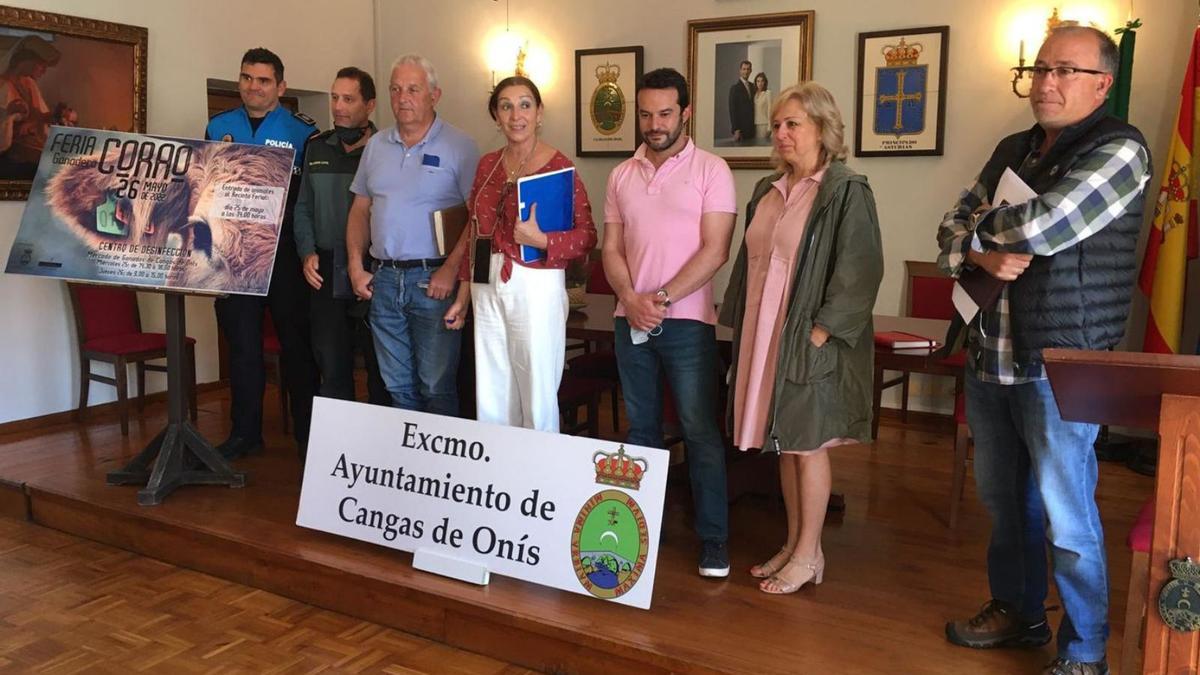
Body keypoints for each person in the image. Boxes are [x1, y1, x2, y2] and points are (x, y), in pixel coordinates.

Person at [938, 26, 1151, 675]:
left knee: (1069, 514)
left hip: (1062, 364)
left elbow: (1046, 225)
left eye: (1066, 70)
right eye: (1041, 68)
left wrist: (977, 232)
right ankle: (1019, 611)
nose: (1047, 82)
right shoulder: (1014, 146)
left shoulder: (1120, 148)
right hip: (988, 355)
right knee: (1005, 502)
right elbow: (948, 227)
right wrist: (975, 248)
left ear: (1103, 84)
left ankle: (1085, 649)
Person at [720, 83, 883, 594]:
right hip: (763, 335)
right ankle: (794, 543)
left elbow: (860, 271)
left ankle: (811, 554)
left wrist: (819, 334)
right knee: (785, 444)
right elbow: (750, 265)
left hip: (808, 339)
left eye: (793, 124)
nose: (782, 133)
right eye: (777, 125)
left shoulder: (845, 190)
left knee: (809, 445)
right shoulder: (767, 189)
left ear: (821, 128)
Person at [603, 67, 736, 577]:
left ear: (685, 112)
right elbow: (611, 248)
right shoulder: (620, 174)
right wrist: (629, 298)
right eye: (645, 113)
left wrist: (656, 298)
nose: (654, 123)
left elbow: (716, 250)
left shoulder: (711, 170)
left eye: (664, 113)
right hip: (628, 320)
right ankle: (637, 534)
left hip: (686, 324)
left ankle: (714, 540)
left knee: (700, 430)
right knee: (639, 431)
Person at [445, 76, 596, 432]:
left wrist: (544, 240)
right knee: (492, 391)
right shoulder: (487, 164)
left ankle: (541, 481)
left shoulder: (559, 166)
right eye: (506, 106)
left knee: (536, 391)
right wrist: (463, 297)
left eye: (525, 104)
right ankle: (501, 478)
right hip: (486, 283)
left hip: (535, 281)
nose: (516, 115)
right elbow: (475, 232)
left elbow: (587, 236)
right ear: (496, 116)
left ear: (539, 112)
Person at [346, 54, 479, 416]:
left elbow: (478, 218)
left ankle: (440, 470)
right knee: (397, 388)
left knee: (436, 386)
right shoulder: (375, 146)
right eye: (396, 89)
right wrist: (356, 267)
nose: (403, 98)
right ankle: (410, 470)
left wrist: (451, 269)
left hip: (433, 281)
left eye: (413, 89)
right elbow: (359, 210)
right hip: (384, 280)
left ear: (434, 95)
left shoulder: (460, 146)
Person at [205, 47, 320, 459]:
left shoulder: (303, 132)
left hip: (286, 254)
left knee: (297, 345)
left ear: (281, 87)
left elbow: (310, 199)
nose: (254, 86)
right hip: (235, 257)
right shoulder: (218, 126)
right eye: (247, 78)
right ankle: (245, 433)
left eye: (264, 80)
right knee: (242, 347)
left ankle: (310, 434)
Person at [294, 66, 389, 409]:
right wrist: (306, 253)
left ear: (370, 104)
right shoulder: (316, 147)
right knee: (332, 366)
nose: (338, 106)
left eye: (348, 99)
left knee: (380, 366)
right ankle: (339, 452)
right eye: (335, 97)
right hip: (326, 267)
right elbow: (303, 207)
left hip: (374, 268)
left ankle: (382, 452)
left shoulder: (387, 150)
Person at [0, 35, 60, 170]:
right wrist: (7, 114)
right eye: (41, 65)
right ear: (26, 60)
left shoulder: (29, 83)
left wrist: (51, 116)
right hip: (8, 155)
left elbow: (38, 115)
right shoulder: (2, 84)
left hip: (30, 147)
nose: (44, 70)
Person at [727, 60, 756, 145]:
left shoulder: (753, 86)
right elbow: (732, 110)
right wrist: (736, 129)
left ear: (751, 71)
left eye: (748, 69)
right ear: (740, 71)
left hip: (753, 128)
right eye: (744, 69)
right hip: (741, 129)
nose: (746, 71)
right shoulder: (734, 88)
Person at [752, 72, 771, 140]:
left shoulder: (767, 93)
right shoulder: (754, 94)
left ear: (765, 82)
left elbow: (770, 110)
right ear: (756, 82)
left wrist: (769, 127)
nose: (760, 83)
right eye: (758, 81)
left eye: (762, 81)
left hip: (764, 124)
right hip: (754, 124)